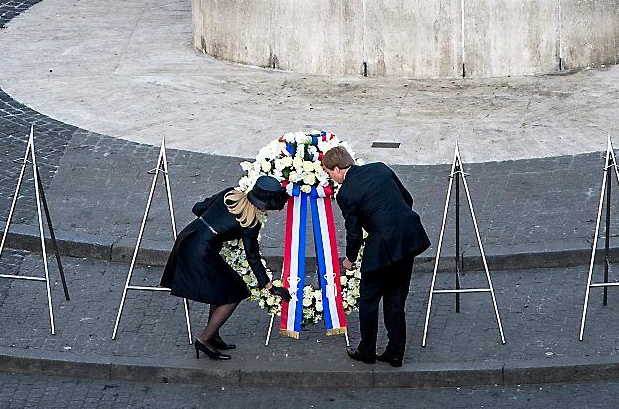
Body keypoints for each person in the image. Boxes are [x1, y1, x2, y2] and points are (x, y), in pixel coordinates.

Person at [160, 175, 292, 360]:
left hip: (190, 236)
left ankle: (213, 335)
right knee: (235, 292)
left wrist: (214, 223)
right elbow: (252, 257)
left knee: (225, 287)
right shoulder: (250, 222)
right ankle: (204, 339)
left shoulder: (229, 193)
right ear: (264, 206)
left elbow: (198, 207)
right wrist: (269, 286)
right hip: (201, 253)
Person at [323, 146, 431, 368]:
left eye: (328, 173)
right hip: (408, 238)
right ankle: (395, 352)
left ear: (337, 169)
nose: (330, 178)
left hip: (381, 246)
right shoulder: (380, 168)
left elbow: (353, 232)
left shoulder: (345, 193)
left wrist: (349, 259)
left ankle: (367, 350)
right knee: (396, 298)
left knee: (369, 299)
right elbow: (407, 198)